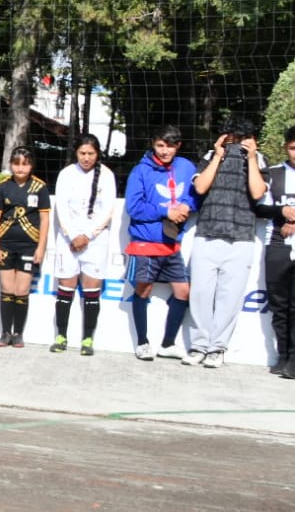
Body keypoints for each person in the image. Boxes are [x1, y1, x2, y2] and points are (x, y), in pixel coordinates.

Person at [185, 116, 267, 367]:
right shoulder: (211, 155)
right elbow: (200, 187)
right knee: (200, 295)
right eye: (231, 137)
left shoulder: (258, 159)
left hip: (241, 239)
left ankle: (217, 348)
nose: (235, 143)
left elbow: (257, 192)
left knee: (229, 298)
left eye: (240, 138)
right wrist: (218, 156)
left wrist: (251, 158)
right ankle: (199, 345)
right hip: (207, 234)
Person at [124, 128, 198, 361]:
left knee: (183, 292)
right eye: (160, 146)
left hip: (172, 244)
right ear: (153, 144)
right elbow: (133, 207)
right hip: (146, 243)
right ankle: (142, 343)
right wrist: (166, 211)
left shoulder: (186, 167)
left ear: (178, 146)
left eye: (170, 146)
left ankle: (168, 344)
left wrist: (188, 205)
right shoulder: (140, 171)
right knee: (143, 290)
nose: (165, 151)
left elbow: (198, 192)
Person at [50, 136, 119, 355]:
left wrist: (87, 235)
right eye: (82, 153)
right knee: (66, 288)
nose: (86, 158)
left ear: (97, 153)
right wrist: (72, 235)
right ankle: (61, 336)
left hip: (95, 241)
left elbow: (107, 210)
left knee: (91, 290)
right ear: (76, 153)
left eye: (91, 153)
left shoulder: (107, 176)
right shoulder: (66, 174)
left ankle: (88, 339)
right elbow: (61, 207)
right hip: (68, 241)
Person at [0, 146, 51, 348]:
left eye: (25, 164)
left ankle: (18, 333)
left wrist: (41, 248)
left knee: (21, 290)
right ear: (10, 164)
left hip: (29, 246)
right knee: (7, 289)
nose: (20, 168)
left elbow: (44, 219)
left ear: (32, 165)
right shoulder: (2, 187)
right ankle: (5, 332)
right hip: (5, 244)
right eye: (16, 163)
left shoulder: (40, 187)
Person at [254, 125, 295, 377]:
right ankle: (283, 356)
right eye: (293, 148)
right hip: (278, 244)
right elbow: (259, 208)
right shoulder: (275, 173)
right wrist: (281, 211)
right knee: (279, 304)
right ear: (285, 148)